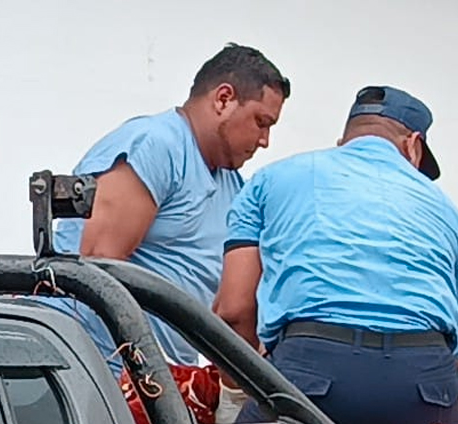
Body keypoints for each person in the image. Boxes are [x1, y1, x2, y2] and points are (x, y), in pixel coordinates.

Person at [214, 85, 458, 424]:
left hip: (312, 373)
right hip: (424, 384)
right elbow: (454, 347)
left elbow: (234, 310)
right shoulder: (449, 214)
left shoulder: (274, 180)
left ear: (345, 141)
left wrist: (243, 402)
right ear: (413, 146)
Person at [43, 43, 290, 372]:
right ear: (224, 99)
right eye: (261, 122)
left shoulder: (234, 186)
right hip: (96, 370)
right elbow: (97, 266)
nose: (265, 140)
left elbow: (234, 301)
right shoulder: (158, 144)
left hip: (161, 381)